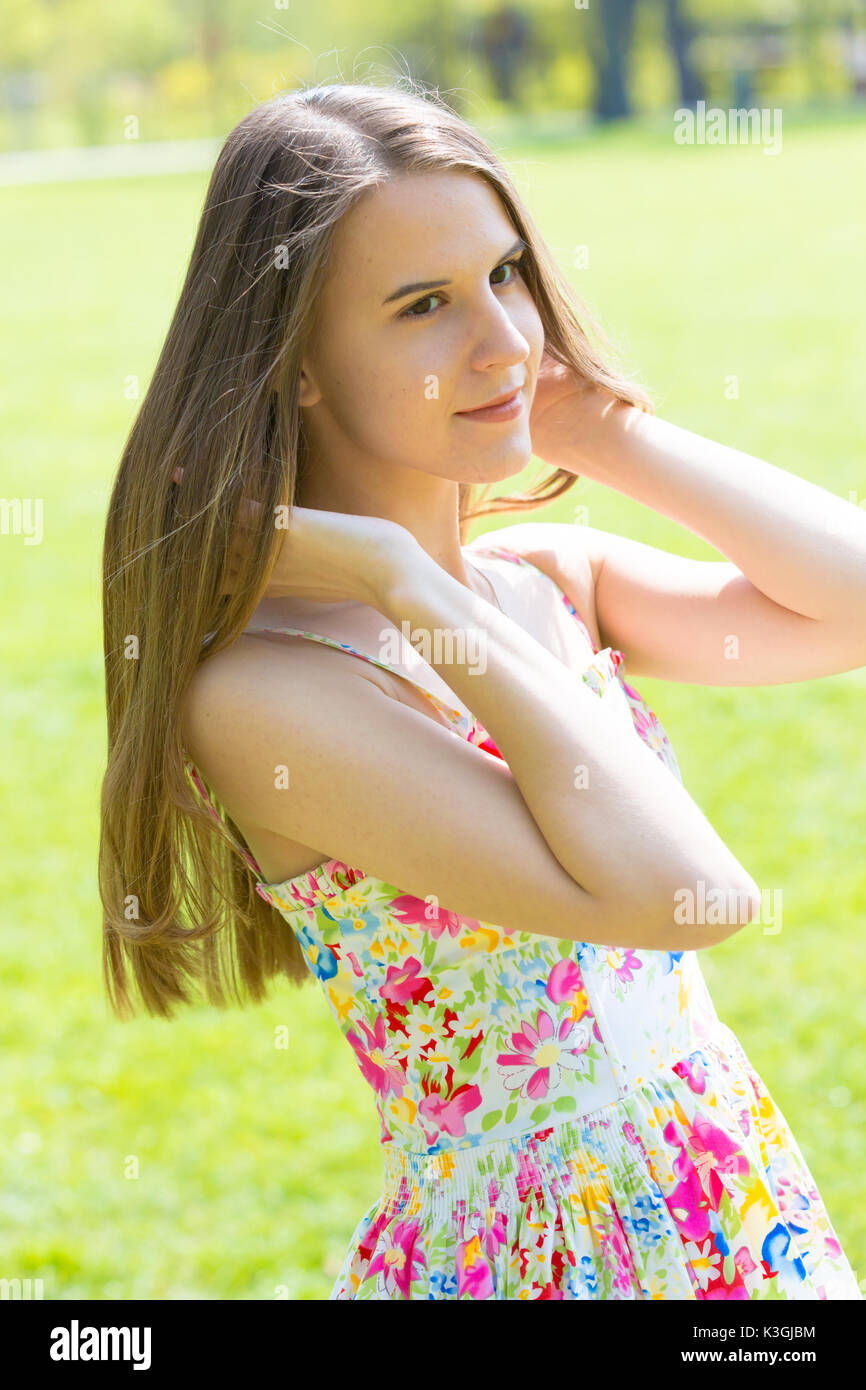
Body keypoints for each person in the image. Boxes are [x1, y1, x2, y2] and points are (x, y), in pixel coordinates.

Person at [99, 80, 865, 1301]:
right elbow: (688, 891)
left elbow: (853, 605)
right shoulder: (267, 699)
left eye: (506, 275)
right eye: (423, 305)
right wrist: (404, 581)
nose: (501, 339)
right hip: (536, 1254)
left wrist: (598, 433)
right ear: (292, 365)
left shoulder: (542, 583)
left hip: (724, 1204)